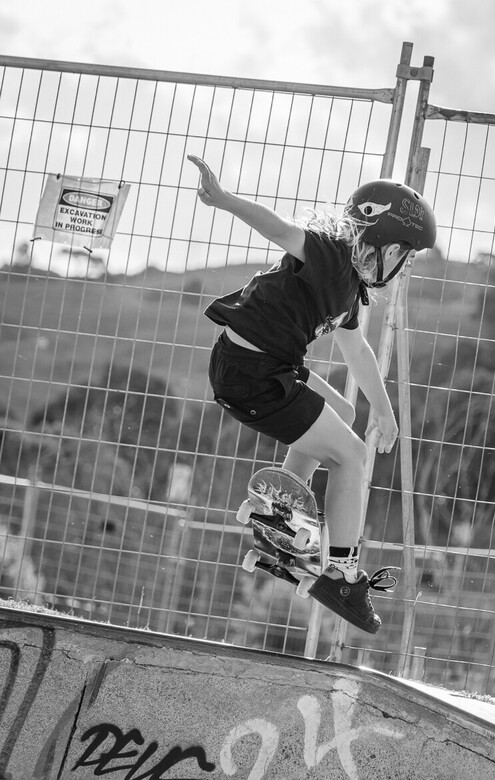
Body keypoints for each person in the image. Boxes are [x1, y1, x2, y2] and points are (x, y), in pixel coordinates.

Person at [188, 154, 436, 633]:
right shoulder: (328, 255)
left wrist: (383, 411)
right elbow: (280, 230)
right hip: (256, 371)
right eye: (404, 256)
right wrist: (224, 200)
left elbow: (358, 351)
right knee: (351, 457)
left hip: (258, 365)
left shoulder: (349, 294)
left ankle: (282, 513)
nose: (403, 269)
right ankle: (343, 574)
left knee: (340, 410)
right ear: (382, 242)